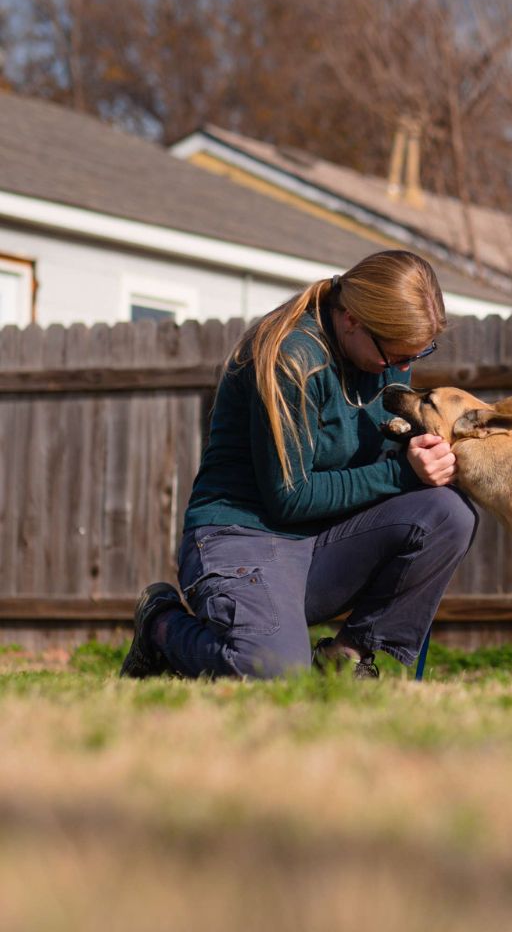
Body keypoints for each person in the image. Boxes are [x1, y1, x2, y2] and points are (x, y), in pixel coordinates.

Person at [120, 250, 477, 680]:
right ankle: (161, 625)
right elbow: (290, 498)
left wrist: (421, 458)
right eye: (396, 356)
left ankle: (344, 660)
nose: (402, 369)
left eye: (416, 356)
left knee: (448, 513)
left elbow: (379, 467)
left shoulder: (379, 356)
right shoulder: (291, 359)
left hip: (320, 541)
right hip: (241, 535)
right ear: (351, 320)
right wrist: (403, 472)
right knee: (274, 673)